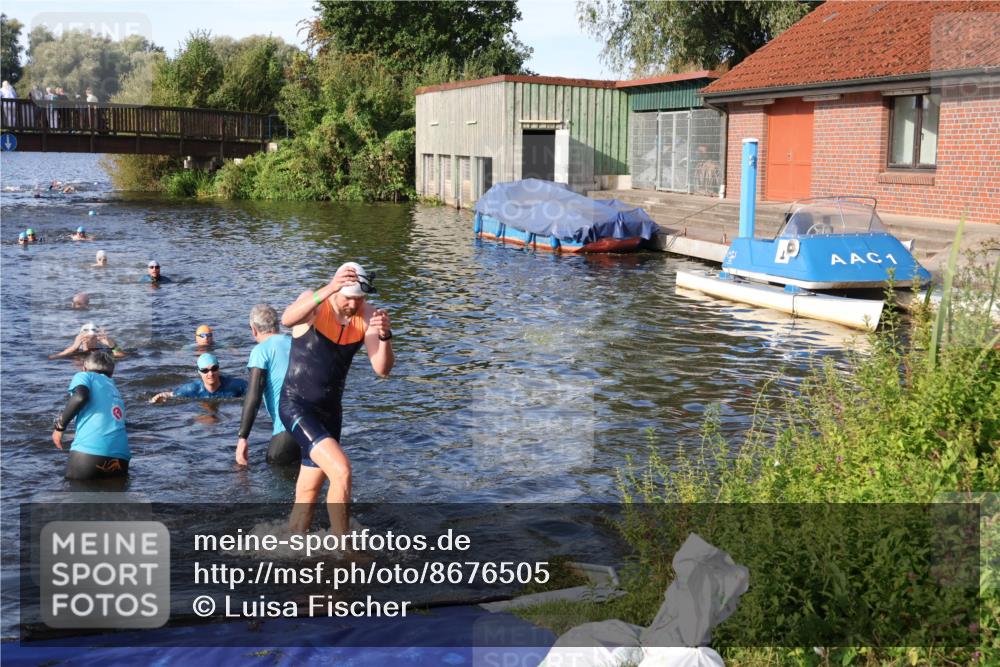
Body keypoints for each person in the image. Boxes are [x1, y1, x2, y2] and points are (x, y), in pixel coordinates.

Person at [279, 262, 394, 536]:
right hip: (296, 405)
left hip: (330, 413)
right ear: (336, 290)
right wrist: (329, 288)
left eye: (358, 299)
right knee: (341, 470)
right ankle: (344, 548)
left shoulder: (367, 316)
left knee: (308, 492)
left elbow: (382, 369)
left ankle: (290, 549)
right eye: (347, 298)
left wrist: (385, 335)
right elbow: (287, 319)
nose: (352, 305)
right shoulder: (315, 303)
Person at [52, 350, 130, 480]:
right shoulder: (114, 388)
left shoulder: (85, 376)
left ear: (85, 367)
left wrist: (60, 427)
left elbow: (80, 397)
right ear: (112, 373)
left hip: (89, 454)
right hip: (121, 458)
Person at [236, 304, 297, 466]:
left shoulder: (261, 351)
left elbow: (254, 395)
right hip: (315, 426)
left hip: (287, 428)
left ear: (253, 329)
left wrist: (243, 437)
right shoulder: (297, 343)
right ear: (277, 325)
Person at [149, 353, 247, 403]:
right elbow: (170, 394)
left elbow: (254, 389)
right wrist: (157, 398)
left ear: (219, 369)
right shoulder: (192, 389)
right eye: (205, 371)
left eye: (214, 368)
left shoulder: (234, 385)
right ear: (199, 373)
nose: (210, 373)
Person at [50, 322, 125, 359]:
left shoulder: (103, 348)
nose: (89, 341)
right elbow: (53, 358)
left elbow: (122, 356)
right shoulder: (76, 348)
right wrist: (73, 347)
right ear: (81, 338)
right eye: (86, 338)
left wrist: (112, 345)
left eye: (92, 338)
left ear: (97, 339)